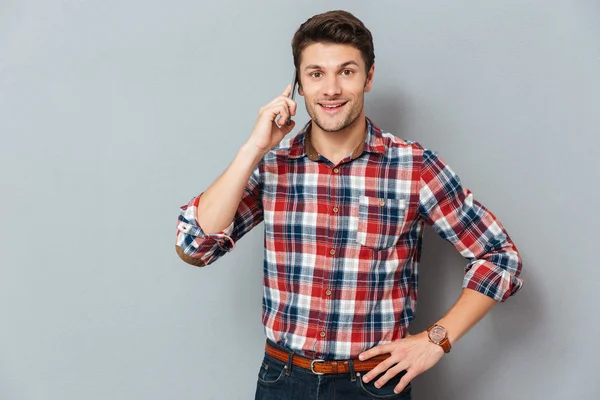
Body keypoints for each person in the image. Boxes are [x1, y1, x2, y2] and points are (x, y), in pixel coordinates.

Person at [175, 10, 523, 400]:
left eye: (347, 71)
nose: (331, 89)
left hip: (374, 385)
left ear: (368, 77)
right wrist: (253, 148)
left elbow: (499, 257)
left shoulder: (414, 167)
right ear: (298, 87)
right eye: (316, 74)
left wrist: (435, 340)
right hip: (283, 381)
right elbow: (195, 246)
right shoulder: (272, 166)